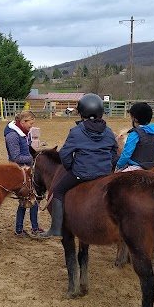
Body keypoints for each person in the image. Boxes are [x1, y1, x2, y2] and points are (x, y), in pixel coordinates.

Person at [36, 93, 118, 238]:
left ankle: (56, 228)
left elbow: (65, 155)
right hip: (105, 173)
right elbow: (114, 152)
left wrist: (72, 167)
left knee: (57, 190)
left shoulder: (76, 131)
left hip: (82, 174)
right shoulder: (109, 131)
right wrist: (106, 165)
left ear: (81, 112)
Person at [4, 110, 44, 236]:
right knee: (27, 200)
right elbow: (16, 157)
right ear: (22, 122)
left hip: (26, 169)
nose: (31, 126)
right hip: (20, 171)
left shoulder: (23, 133)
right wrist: (35, 158)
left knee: (30, 200)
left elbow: (26, 150)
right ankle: (23, 229)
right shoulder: (12, 136)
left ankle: (26, 228)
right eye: (30, 124)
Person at [115, 102, 154, 171]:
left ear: (135, 119)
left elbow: (126, 154)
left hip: (135, 167)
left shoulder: (135, 133)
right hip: (150, 167)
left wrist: (118, 165)